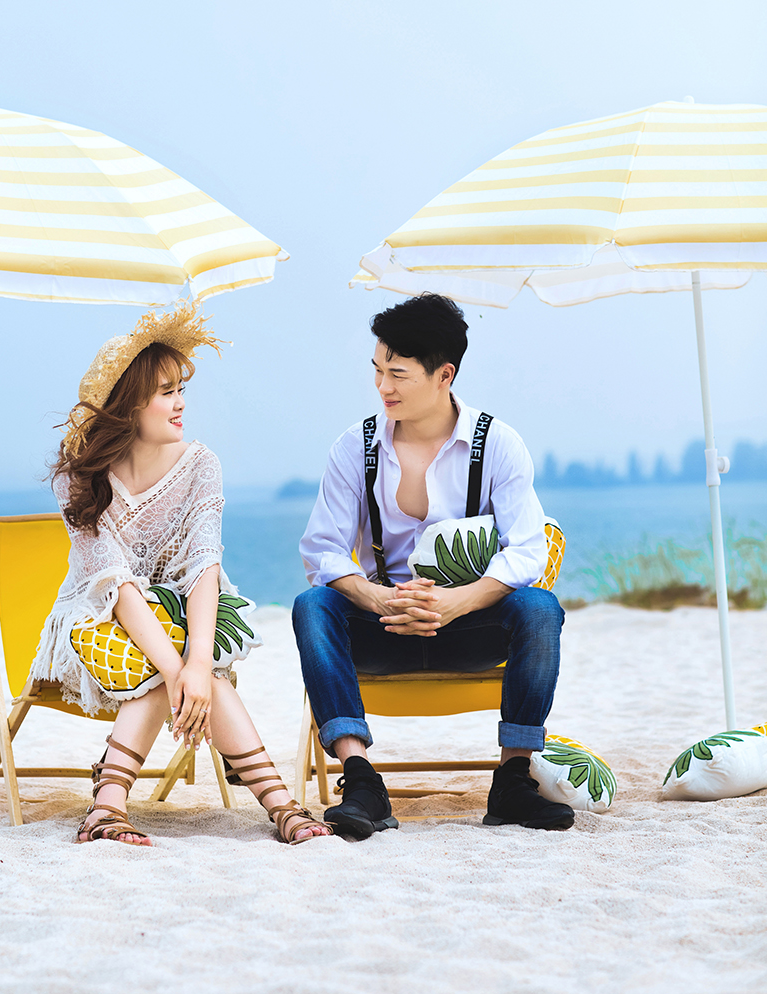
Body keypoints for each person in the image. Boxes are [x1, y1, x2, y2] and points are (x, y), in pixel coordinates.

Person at [32, 300, 331, 847]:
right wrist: (178, 672)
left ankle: (108, 805)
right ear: (129, 405)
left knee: (196, 669)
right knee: (172, 669)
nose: (180, 403)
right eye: (166, 392)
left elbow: (203, 569)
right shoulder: (81, 478)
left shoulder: (201, 465)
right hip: (97, 619)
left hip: (178, 616)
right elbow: (115, 587)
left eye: (181, 389)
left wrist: (195, 664)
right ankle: (280, 804)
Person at [292, 293, 570, 837]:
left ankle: (513, 781)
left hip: (469, 626)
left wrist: (457, 601)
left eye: (398, 374)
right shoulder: (355, 448)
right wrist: (378, 598)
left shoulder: (498, 444)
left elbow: (527, 550)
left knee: (540, 609)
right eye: (377, 370)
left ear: (445, 375)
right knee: (313, 606)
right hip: (385, 625)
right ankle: (361, 779)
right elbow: (322, 548)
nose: (383, 387)